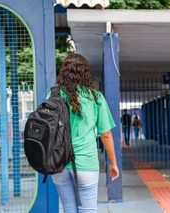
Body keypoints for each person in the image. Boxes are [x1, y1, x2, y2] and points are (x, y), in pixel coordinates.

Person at [51, 53, 119, 213]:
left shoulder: (54, 95)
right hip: (85, 163)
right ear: (85, 72)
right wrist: (113, 162)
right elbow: (106, 134)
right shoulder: (95, 98)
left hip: (58, 162)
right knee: (87, 209)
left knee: (68, 209)